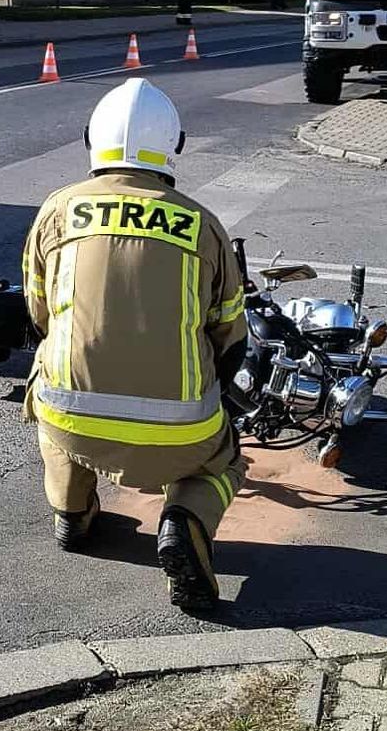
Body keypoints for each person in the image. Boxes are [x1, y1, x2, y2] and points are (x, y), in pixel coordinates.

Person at [20, 78, 248, 611]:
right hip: (181, 431)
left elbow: (36, 315)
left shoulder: (58, 210)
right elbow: (230, 339)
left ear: (89, 140)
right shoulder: (202, 225)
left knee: (49, 389)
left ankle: (73, 513)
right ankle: (185, 518)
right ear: (177, 146)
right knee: (225, 461)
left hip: (74, 419)